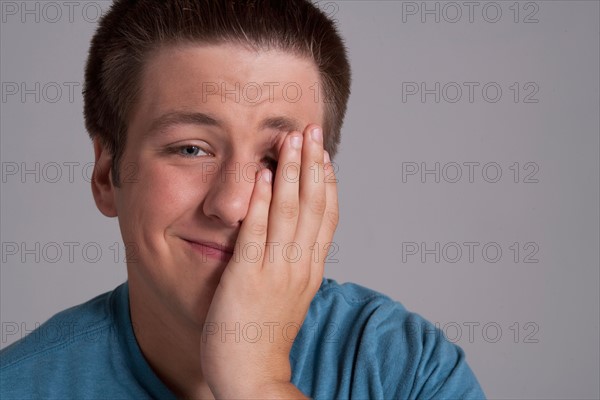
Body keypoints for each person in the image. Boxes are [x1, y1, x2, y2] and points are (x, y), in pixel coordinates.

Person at [1, 0, 486, 398]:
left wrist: (256, 379)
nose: (232, 204)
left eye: (275, 160)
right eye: (191, 149)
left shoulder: (406, 370)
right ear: (107, 174)